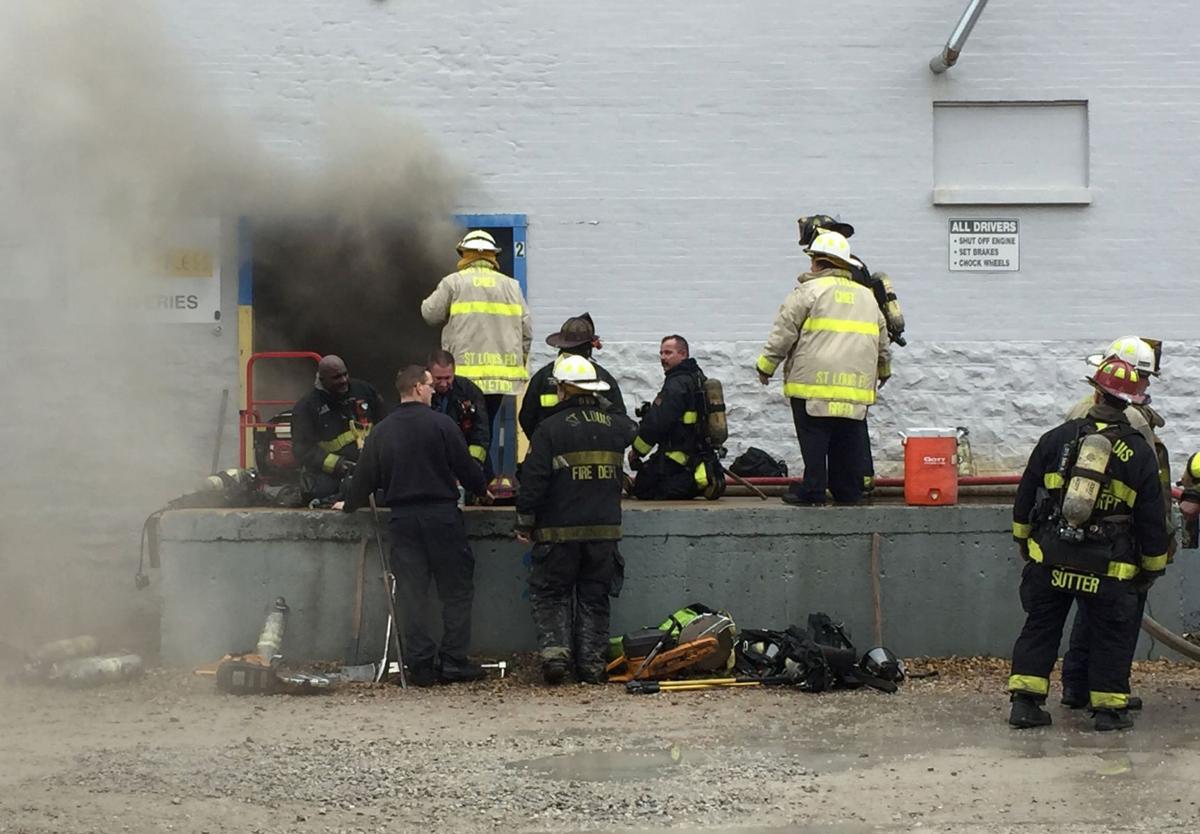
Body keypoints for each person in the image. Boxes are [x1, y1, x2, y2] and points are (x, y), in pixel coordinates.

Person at [1008, 357, 1169, 732]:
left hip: (1051, 557)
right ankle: (1109, 710)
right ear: (1129, 403)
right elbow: (1151, 515)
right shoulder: (1139, 451)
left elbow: (1026, 493)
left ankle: (1025, 704)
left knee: (1041, 627)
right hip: (1109, 567)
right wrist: (1152, 565)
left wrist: (1022, 539)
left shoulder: (1056, 438)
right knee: (1110, 634)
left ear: (1095, 391)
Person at [342, 365, 489, 687]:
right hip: (442, 518)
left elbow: (364, 477)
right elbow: (466, 468)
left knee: (411, 594)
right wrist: (484, 490)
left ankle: (420, 666)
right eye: (429, 384)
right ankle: (453, 662)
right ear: (418, 388)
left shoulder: (382, 431)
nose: (434, 389)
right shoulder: (442, 424)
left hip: (404, 521)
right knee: (456, 591)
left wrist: (348, 504)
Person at [1059, 337, 1174, 711]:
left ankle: (1076, 687)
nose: (1146, 385)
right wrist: (1154, 545)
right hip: (1119, 537)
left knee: (1087, 613)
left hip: (1075, 533)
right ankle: (1109, 694)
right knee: (1118, 620)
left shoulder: (1080, 408)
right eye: (1144, 376)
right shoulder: (1133, 419)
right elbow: (1145, 486)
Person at [515, 355, 638, 684]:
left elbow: (534, 480)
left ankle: (556, 658)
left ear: (566, 389)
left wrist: (525, 521)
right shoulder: (616, 427)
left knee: (551, 593)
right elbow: (633, 430)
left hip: (558, 533)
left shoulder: (550, 429)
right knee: (594, 597)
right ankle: (592, 665)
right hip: (604, 532)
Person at [755, 230, 890, 506]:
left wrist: (766, 365)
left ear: (820, 262)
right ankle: (847, 492)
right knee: (847, 441)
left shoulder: (808, 292)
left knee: (814, 440)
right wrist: (884, 369)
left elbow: (784, 332)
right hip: (854, 387)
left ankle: (813, 490)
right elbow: (883, 340)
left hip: (812, 384)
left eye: (813, 260)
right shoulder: (867, 297)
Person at [797, 214, 907, 494]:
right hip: (860, 354)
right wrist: (882, 364)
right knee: (853, 421)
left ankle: (849, 481)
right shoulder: (857, 265)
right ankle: (858, 481)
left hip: (842, 355)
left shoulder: (844, 271)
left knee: (844, 427)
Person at [420, 229, 533, 457]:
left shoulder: (453, 282)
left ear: (465, 254)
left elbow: (430, 314)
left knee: (460, 430)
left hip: (462, 376)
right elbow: (527, 332)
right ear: (493, 256)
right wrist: (517, 363)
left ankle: (468, 481)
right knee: (484, 431)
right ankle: (482, 481)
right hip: (499, 379)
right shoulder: (512, 286)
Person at [629, 335, 715, 500]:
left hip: (676, 459)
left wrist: (637, 451)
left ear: (683, 354)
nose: (662, 358)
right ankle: (701, 480)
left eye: (668, 353)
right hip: (697, 457)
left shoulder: (676, 384)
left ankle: (693, 484)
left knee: (643, 487)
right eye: (661, 353)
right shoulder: (697, 377)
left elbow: (656, 423)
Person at [291, 355, 386, 502]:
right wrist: (337, 465)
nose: (343, 380)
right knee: (323, 492)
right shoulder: (307, 408)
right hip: (332, 476)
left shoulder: (365, 391)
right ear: (322, 380)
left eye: (345, 374)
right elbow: (302, 449)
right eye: (336, 377)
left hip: (370, 469)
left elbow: (385, 424)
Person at [518, 313, 626, 442]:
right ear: (589, 348)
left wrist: (543, 444)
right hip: (593, 450)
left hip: (551, 453)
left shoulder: (542, 377)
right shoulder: (602, 378)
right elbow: (619, 420)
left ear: (561, 345)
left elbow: (527, 417)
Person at [428, 350, 490, 471]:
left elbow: (481, 431)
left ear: (454, 372)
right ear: (429, 373)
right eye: (438, 378)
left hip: (462, 456)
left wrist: (473, 464)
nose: (443, 383)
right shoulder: (419, 390)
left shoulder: (468, 390)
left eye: (448, 378)